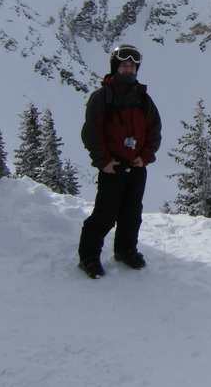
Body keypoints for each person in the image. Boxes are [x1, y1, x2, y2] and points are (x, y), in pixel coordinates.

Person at [78, 44, 162, 279]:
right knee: (104, 214)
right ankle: (89, 256)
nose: (128, 69)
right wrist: (103, 161)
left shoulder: (143, 99)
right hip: (112, 167)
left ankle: (126, 250)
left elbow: (154, 131)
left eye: (132, 66)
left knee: (132, 214)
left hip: (136, 167)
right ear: (116, 67)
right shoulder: (103, 97)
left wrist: (144, 157)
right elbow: (91, 132)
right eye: (124, 65)